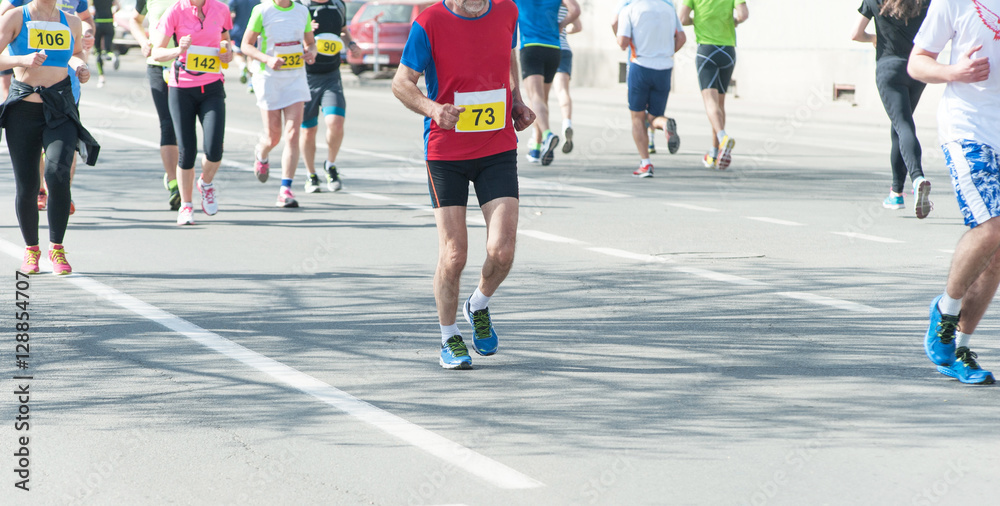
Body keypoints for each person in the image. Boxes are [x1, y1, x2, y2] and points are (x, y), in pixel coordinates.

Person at [392, 0, 535, 369]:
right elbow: (401, 83)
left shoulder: (507, 12)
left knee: (502, 250)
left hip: (497, 146)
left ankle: (479, 304)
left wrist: (516, 99)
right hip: (446, 153)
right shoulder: (430, 22)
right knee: (454, 255)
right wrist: (433, 109)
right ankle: (449, 336)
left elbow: (508, 57)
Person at [910, 0, 999, 385]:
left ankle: (959, 346)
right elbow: (918, 61)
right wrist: (954, 71)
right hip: (969, 129)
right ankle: (945, 311)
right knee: (991, 227)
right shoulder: (956, 2)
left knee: (997, 253)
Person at [0, 0, 99, 275]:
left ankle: (57, 248)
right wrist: (21, 59)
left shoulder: (72, 22)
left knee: (57, 173)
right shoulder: (15, 17)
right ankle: (31, 250)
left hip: (60, 107)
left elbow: (77, 52)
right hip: (23, 109)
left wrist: (81, 67)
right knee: (28, 184)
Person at [150, 0, 232, 225]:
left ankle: (206, 183)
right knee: (187, 151)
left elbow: (225, 41)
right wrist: (179, 49)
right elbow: (156, 53)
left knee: (215, 149)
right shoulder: (175, 11)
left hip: (213, 86)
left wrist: (227, 53)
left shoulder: (221, 9)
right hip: (182, 88)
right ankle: (186, 205)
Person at [852, 0, 931, 218]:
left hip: (889, 69)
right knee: (900, 124)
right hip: (917, 70)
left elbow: (856, 33)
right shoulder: (924, 2)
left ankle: (917, 178)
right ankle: (896, 192)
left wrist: (874, 38)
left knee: (903, 124)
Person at [241, 0, 317, 208]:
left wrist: (312, 52)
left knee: (292, 134)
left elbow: (310, 42)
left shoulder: (302, 11)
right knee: (273, 136)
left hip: (295, 79)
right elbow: (245, 45)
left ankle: (285, 189)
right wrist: (266, 59)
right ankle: (262, 153)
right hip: (269, 78)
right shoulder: (262, 11)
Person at [617, 0, 684, 178]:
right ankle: (665, 124)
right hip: (664, 67)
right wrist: (666, 53)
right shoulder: (669, 7)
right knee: (654, 117)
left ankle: (646, 164)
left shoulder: (629, 8)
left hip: (640, 66)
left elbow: (623, 42)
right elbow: (682, 38)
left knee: (637, 117)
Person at [298, 0, 359, 193]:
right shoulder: (301, 6)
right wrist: (304, 33)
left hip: (331, 76)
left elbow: (342, 29)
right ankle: (311, 175)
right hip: (306, 76)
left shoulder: (338, 5)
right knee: (309, 130)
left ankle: (330, 165)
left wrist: (350, 43)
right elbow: (287, 36)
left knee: (336, 123)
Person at [677, 0, 747, 170]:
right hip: (728, 51)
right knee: (720, 104)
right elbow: (743, 15)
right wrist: (734, 22)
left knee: (710, 102)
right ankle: (715, 152)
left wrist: (698, 20)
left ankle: (722, 137)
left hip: (707, 51)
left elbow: (682, 18)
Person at [129, 0, 181, 211]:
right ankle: (173, 182)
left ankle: (189, 176)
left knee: (185, 124)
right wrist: (143, 42)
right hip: (159, 66)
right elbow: (135, 20)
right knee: (168, 123)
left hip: (190, 65)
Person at [516, 0, 578, 166]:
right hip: (553, 49)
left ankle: (548, 135)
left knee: (535, 98)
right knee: (541, 100)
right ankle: (537, 148)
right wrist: (561, 24)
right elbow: (575, 10)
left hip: (531, 47)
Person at [553, 1, 579, 154]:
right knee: (562, 91)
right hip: (564, 49)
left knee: (538, 96)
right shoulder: (567, 3)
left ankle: (538, 141)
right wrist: (563, 29)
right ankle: (566, 123)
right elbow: (578, 26)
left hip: (545, 46)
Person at [229, 0, 258, 91]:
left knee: (238, 54)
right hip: (253, 31)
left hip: (239, 30)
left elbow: (230, 14)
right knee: (251, 57)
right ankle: (252, 82)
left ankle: (242, 66)